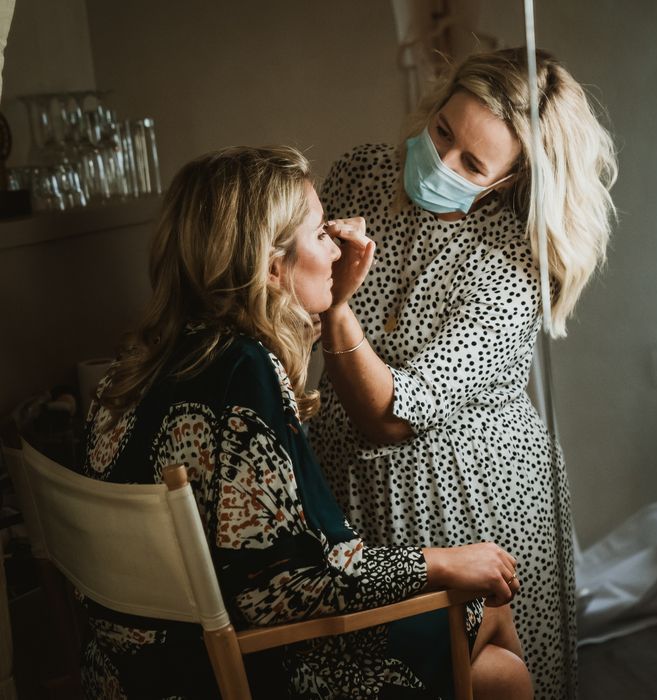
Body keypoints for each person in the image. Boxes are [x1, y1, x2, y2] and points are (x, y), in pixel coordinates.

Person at [78, 145, 533, 700]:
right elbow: (284, 586)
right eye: (321, 234)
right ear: (272, 267)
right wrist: (443, 563)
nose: (338, 250)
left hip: (134, 669)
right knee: (496, 637)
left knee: (491, 655)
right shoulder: (245, 369)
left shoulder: (133, 365)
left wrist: (328, 307)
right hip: (232, 667)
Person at [308, 48, 617, 699]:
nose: (441, 163)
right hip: (347, 487)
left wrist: (337, 312)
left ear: (507, 180)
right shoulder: (362, 171)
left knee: (479, 680)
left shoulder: (512, 263)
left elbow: (393, 416)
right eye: (442, 131)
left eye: (472, 164)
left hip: (470, 500)